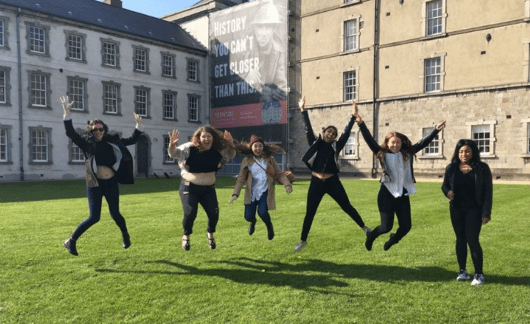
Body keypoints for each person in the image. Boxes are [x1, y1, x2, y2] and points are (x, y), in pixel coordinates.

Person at [354, 105, 446, 251]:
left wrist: (435, 130)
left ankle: (394, 239)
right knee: (385, 226)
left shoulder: (407, 153)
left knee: (406, 226)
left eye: (398, 142)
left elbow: (423, 143)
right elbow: (369, 139)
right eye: (392, 142)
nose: (395, 145)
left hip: (402, 193)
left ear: (401, 143)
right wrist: (360, 123)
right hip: (386, 193)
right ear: (387, 143)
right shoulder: (381, 153)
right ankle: (371, 236)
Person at [60, 96, 143, 256]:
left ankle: (125, 235)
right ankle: (71, 241)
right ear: (91, 130)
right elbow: (70, 133)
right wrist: (67, 114)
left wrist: (139, 127)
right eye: (95, 130)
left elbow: (131, 140)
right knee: (94, 217)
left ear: (104, 130)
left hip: (111, 183)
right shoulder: (87, 144)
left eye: (101, 129)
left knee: (115, 214)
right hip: (95, 185)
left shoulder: (112, 141)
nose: (98, 132)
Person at [294, 97, 371, 252]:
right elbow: (308, 129)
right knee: (310, 212)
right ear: (323, 133)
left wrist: (352, 116)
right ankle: (303, 241)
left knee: (346, 206)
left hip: (332, 181)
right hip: (316, 182)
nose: (331, 134)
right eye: (328, 131)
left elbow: (346, 132)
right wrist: (303, 110)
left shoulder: (337, 146)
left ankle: (365, 228)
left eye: (333, 133)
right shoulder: (316, 144)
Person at [168, 126, 236, 251]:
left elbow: (231, 155)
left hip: (208, 189)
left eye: (209, 136)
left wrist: (230, 143)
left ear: (213, 138)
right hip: (189, 187)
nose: (206, 139)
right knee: (190, 213)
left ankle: (210, 234)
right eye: (203, 136)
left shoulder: (218, 149)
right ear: (198, 137)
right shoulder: (189, 148)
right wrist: (172, 145)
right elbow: (174, 154)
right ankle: (186, 236)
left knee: (214, 214)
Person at [442, 139, 492, 286]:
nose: (464, 154)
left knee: (472, 240)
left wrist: (486, 212)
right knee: (460, 239)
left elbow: (488, 192)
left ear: (473, 152)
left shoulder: (482, 168)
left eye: (467, 151)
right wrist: (448, 192)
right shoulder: (451, 168)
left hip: (474, 210)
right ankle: (462, 271)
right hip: (456, 209)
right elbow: (444, 185)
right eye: (461, 151)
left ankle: (479, 274)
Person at [229, 135, 293, 240]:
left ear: (263, 147)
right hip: (252, 192)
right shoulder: (246, 160)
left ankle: (269, 226)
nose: (258, 148)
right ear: (251, 147)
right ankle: (253, 222)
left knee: (262, 212)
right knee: (248, 217)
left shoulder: (269, 159)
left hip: (265, 191)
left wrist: (287, 184)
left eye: (260, 146)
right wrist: (235, 194)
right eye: (255, 146)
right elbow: (241, 179)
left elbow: (279, 174)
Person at [243, 3, 287, 103]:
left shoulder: (279, 51)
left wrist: (277, 91)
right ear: (254, 29)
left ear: (273, 29)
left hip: (265, 105)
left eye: (267, 28)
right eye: (260, 27)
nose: (263, 33)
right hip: (246, 104)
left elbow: (282, 84)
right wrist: (246, 76)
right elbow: (229, 76)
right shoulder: (244, 45)